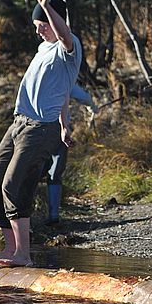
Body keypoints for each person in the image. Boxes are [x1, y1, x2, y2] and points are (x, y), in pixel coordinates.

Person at [0, 0, 81, 267]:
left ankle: (23, 254)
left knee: (13, 185)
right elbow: (62, 91)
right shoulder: (43, 49)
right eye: (37, 26)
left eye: (43, 25)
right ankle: (10, 249)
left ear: (55, 20)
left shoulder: (68, 47)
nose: (39, 31)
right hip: (18, 124)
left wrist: (47, 5)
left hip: (40, 128)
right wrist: (66, 123)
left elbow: (63, 34)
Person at [43, 84, 94, 225]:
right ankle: (53, 215)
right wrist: (93, 108)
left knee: (34, 172)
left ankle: (29, 217)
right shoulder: (64, 78)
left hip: (34, 129)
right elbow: (84, 97)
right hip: (58, 130)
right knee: (55, 172)